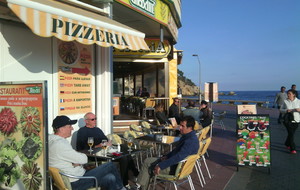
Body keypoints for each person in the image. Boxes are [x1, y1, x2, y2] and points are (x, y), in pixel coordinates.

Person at [49, 115, 127, 190]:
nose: (72, 128)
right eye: (70, 126)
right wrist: (77, 159)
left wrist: (75, 160)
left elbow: (72, 157)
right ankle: (122, 188)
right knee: (110, 165)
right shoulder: (60, 144)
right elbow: (84, 159)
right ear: (61, 129)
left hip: (74, 177)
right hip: (76, 182)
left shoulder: (50, 141)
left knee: (111, 178)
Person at [134, 116, 199, 189]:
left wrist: (161, 165)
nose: (179, 128)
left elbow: (178, 157)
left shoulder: (190, 141)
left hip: (175, 168)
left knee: (147, 163)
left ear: (190, 128)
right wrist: (167, 156)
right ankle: (141, 186)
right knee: (148, 162)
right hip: (179, 166)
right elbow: (176, 151)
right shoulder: (190, 137)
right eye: (180, 125)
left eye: (182, 126)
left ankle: (139, 186)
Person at [76, 112, 139, 186]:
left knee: (124, 149)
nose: (95, 121)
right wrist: (99, 145)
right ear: (86, 121)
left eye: (96, 118)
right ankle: (130, 178)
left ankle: (129, 177)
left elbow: (105, 139)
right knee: (124, 158)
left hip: (105, 151)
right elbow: (83, 147)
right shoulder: (82, 131)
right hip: (95, 155)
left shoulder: (97, 129)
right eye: (93, 119)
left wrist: (109, 142)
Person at [280, 89, 300, 154]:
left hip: (296, 120)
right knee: (291, 133)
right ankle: (292, 149)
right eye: (287, 93)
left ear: (294, 94)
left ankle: (287, 143)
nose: (288, 95)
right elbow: (280, 110)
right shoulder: (285, 101)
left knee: (291, 134)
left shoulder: (298, 101)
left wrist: (299, 110)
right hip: (287, 120)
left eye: (289, 94)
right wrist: (286, 110)